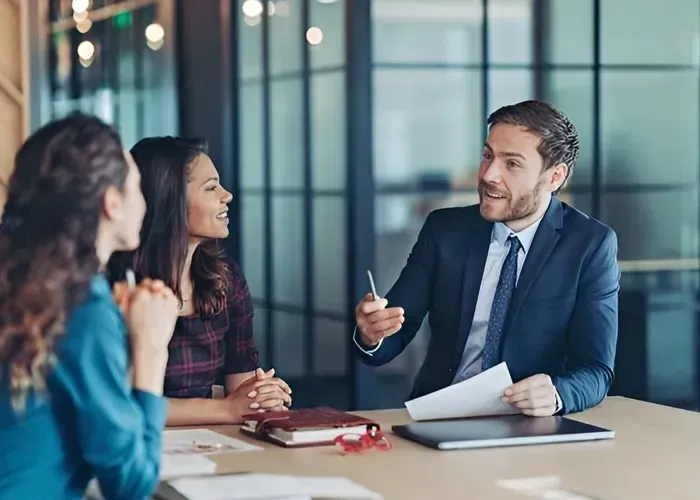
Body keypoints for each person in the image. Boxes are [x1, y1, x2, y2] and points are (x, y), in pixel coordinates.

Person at [354, 100, 619, 416]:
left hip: (528, 425)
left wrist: (557, 394)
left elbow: (596, 370)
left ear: (554, 177)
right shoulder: (445, 230)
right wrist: (372, 335)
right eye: (487, 156)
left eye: (512, 164)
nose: (489, 175)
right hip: (439, 417)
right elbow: (396, 329)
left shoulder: (589, 245)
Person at [0, 113, 180, 499]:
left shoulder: (22, 285)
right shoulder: (82, 305)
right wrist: (151, 350)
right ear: (111, 203)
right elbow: (130, 484)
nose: (145, 200)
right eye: (137, 186)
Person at [108, 137, 292, 427]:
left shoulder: (226, 279)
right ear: (170, 199)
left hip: (212, 447)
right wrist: (227, 410)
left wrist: (261, 396)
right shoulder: (117, 287)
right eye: (211, 188)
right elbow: (118, 402)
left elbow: (242, 390)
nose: (227, 195)